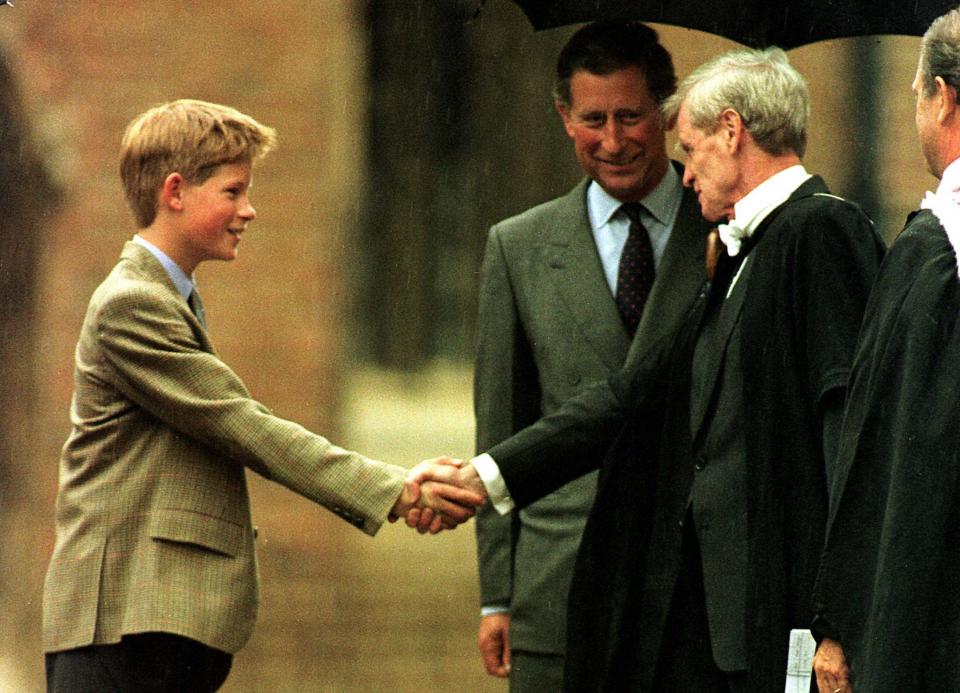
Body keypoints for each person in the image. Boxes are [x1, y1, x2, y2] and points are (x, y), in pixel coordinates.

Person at [415, 47, 884, 692]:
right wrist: (485, 476)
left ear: (730, 132)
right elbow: (635, 394)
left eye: (689, 151)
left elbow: (850, 439)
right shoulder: (745, 246)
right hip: (712, 627)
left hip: (782, 624)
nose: (685, 176)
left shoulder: (822, 230)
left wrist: (837, 620)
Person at [41, 99, 482, 693]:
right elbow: (243, 425)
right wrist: (396, 491)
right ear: (175, 191)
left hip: (147, 630)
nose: (249, 210)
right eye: (233, 191)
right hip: (123, 626)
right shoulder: (132, 303)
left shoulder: (166, 297)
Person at [472, 21, 710, 691]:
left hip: (688, 593)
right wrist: (498, 593)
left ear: (667, 113)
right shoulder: (517, 248)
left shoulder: (725, 228)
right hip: (558, 588)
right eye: (592, 119)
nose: (613, 141)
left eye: (631, 117)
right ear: (562, 117)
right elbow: (502, 428)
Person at [811, 9, 960, 692]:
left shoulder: (933, 256)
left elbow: (885, 453)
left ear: (943, 96)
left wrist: (841, 620)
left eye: (917, 96)